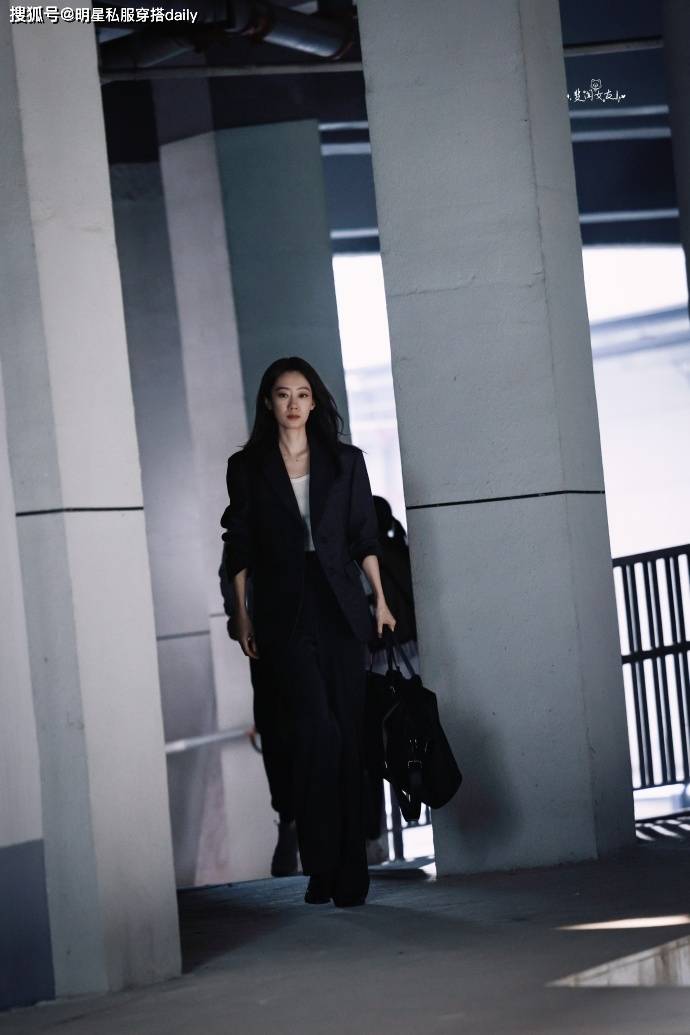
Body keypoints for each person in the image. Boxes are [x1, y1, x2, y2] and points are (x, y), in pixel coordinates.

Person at [220, 356, 396, 908]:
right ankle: (321, 864)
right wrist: (240, 613)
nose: (293, 403)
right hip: (283, 610)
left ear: (314, 401)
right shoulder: (247, 467)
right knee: (316, 731)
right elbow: (238, 543)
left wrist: (381, 599)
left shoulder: (345, 462)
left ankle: (348, 869)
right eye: (282, 394)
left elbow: (364, 535)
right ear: (268, 402)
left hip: (339, 604)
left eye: (301, 394)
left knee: (347, 733)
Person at [218, 546, 299, 877]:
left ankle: (291, 821)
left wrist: (239, 617)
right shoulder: (249, 531)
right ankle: (292, 820)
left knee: (281, 733)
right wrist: (241, 618)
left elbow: (229, 573)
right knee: (281, 732)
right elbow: (230, 571)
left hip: (275, 639)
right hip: (271, 640)